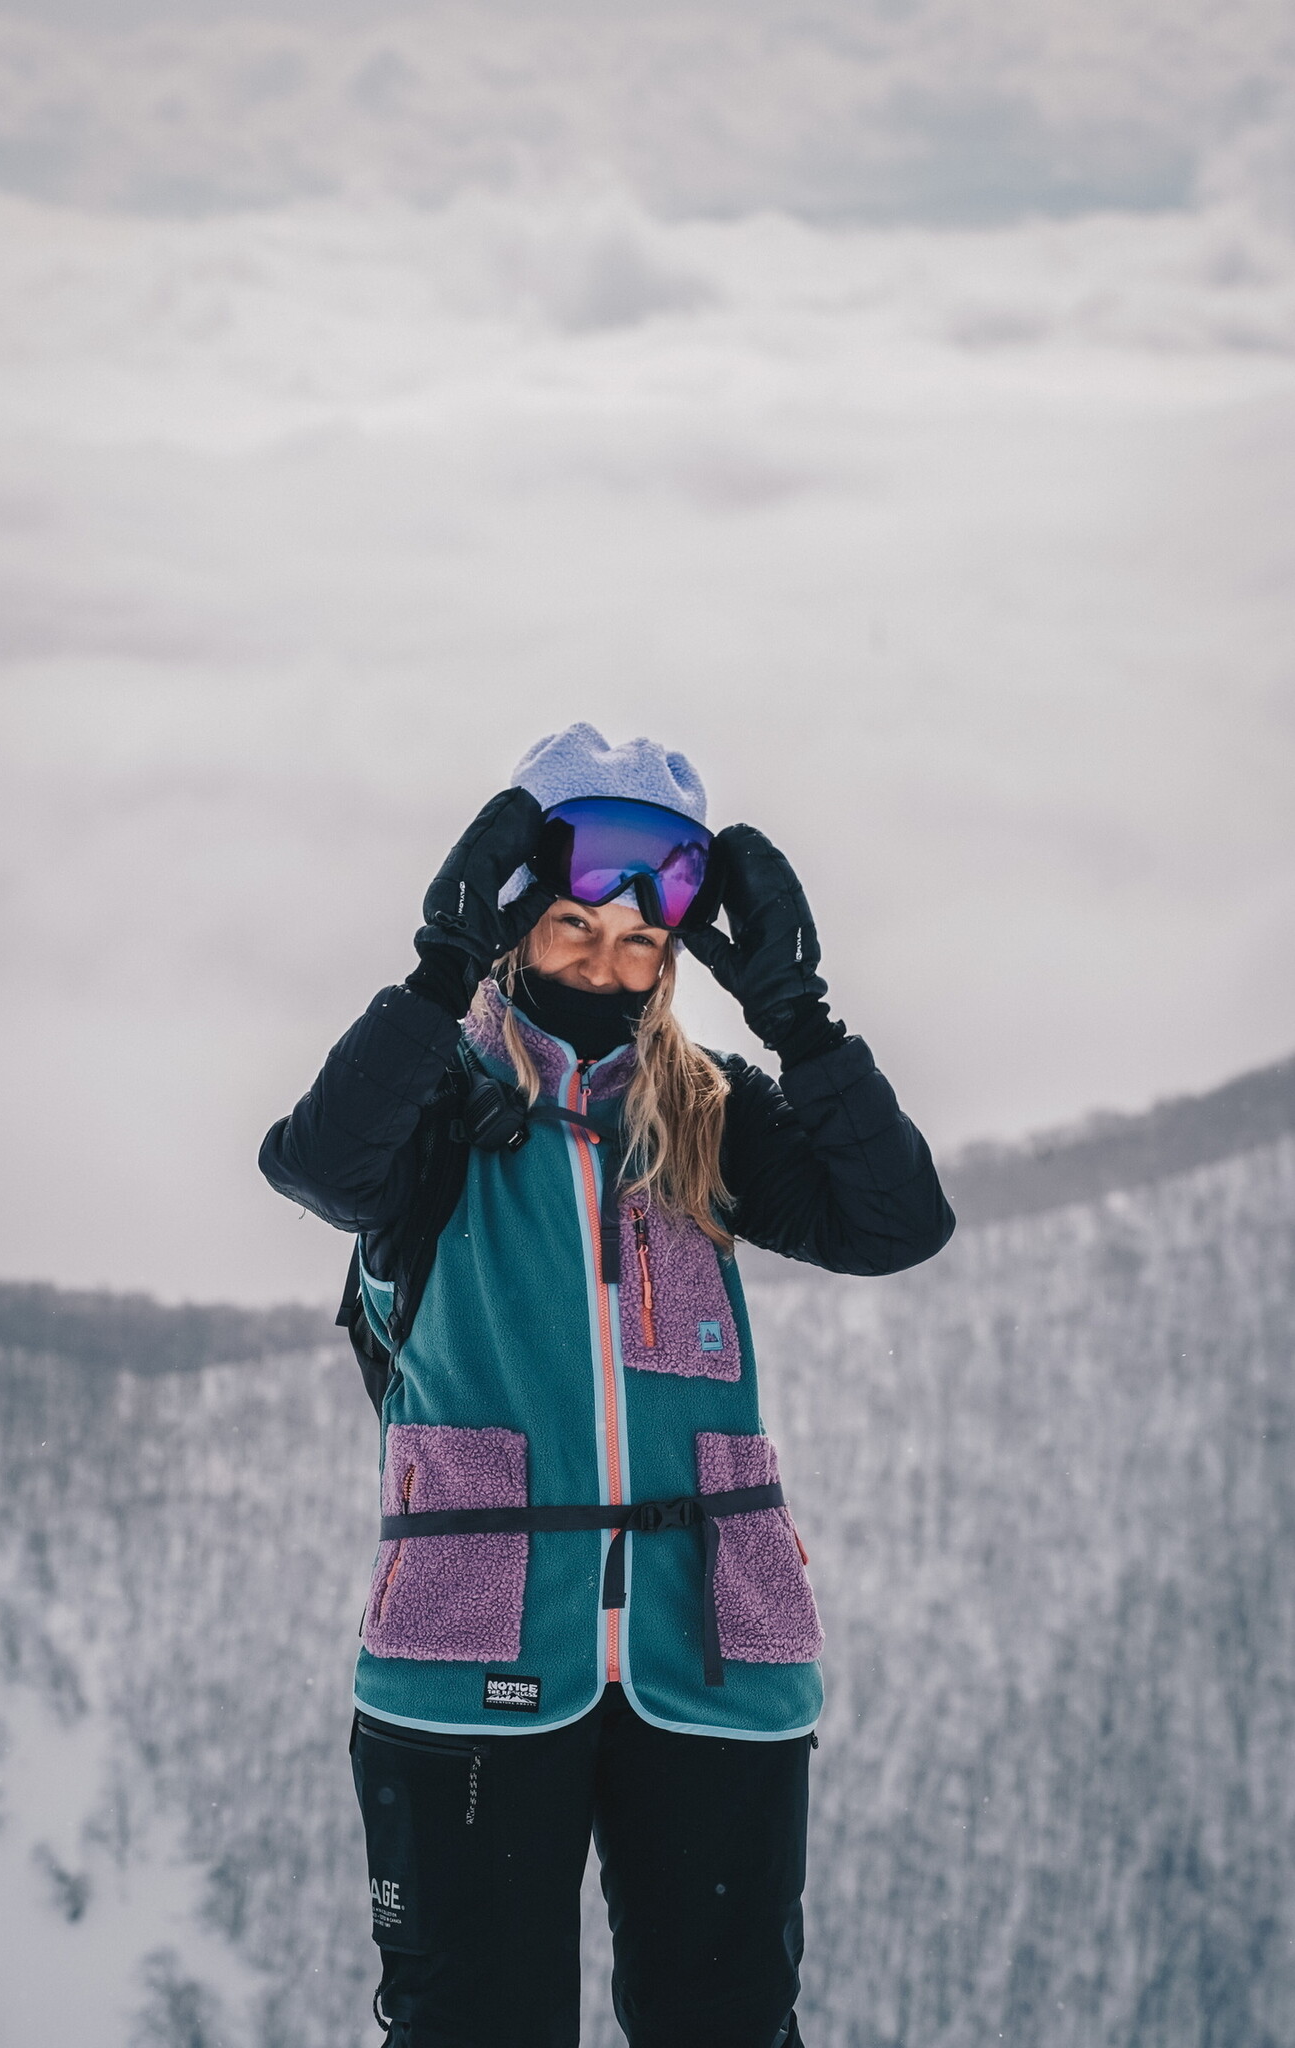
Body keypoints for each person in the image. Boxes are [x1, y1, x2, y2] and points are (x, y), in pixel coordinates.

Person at [259, 723, 954, 2048]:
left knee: (728, 2026)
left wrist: (800, 1019)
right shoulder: (440, 1101)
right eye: (575, 929)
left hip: (713, 1652)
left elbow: (894, 1222)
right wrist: (435, 966)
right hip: (475, 1652)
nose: (607, 962)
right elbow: (322, 1168)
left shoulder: (703, 1114)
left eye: (641, 943)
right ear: (518, 930)